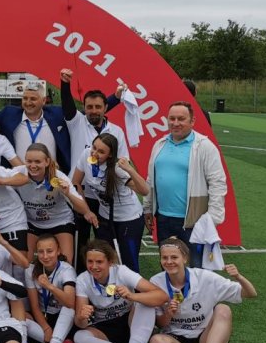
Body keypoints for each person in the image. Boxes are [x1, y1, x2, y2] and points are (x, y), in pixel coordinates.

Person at [149, 237, 257, 343]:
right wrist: (169, 314)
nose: (169, 261)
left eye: (174, 257)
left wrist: (238, 277)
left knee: (223, 309)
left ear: (185, 258)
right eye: (164, 257)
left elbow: (250, 293)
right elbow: (161, 324)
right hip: (176, 341)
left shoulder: (205, 277)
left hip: (206, 339)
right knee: (156, 342)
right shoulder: (155, 282)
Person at [144, 102, 228, 267]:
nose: (176, 123)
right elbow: (150, 179)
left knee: (195, 268)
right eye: (172, 118)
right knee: (168, 265)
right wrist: (147, 208)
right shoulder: (160, 144)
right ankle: (171, 294)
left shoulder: (204, 146)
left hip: (193, 221)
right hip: (163, 218)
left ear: (192, 121)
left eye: (181, 119)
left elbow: (218, 183)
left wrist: (212, 220)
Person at [73, 239, 167, 343]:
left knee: (145, 303)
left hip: (130, 323)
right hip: (104, 329)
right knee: (79, 337)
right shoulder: (82, 280)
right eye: (90, 262)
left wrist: (132, 295)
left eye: (99, 262)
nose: (94, 266)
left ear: (110, 262)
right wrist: (81, 316)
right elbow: (81, 324)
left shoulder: (122, 271)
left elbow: (161, 296)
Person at [59, 68, 125, 257]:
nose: (93, 111)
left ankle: (104, 278)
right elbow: (67, 104)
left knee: (104, 241)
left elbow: (121, 162)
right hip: (80, 193)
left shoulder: (116, 131)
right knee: (80, 239)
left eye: (98, 107)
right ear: (84, 108)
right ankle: (79, 278)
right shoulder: (77, 122)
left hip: (105, 194)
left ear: (106, 107)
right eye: (89, 107)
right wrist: (65, 83)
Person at [72, 133, 149, 272]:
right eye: (94, 147)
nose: (95, 153)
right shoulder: (86, 155)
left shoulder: (117, 169)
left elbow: (144, 190)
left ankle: (132, 293)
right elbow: (76, 183)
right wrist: (86, 210)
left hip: (128, 219)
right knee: (106, 261)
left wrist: (130, 169)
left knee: (128, 263)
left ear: (110, 155)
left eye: (101, 152)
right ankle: (108, 292)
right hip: (105, 217)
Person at [12, 143, 95, 267]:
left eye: (37, 161)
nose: (33, 166)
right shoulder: (18, 174)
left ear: (47, 161)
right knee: (25, 264)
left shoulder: (59, 177)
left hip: (60, 222)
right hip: (33, 223)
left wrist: (68, 194)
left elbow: (82, 209)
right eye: (29, 161)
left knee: (65, 264)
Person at [24, 234, 84, 343]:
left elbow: (70, 302)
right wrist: (45, 327)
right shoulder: (30, 271)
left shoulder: (67, 269)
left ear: (58, 251)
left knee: (69, 308)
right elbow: (34, 306)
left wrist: (49, 286)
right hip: (43, 318)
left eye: (50, 251)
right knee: (21, 319)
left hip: (63, 318)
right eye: (40, 252)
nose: (45, 256)